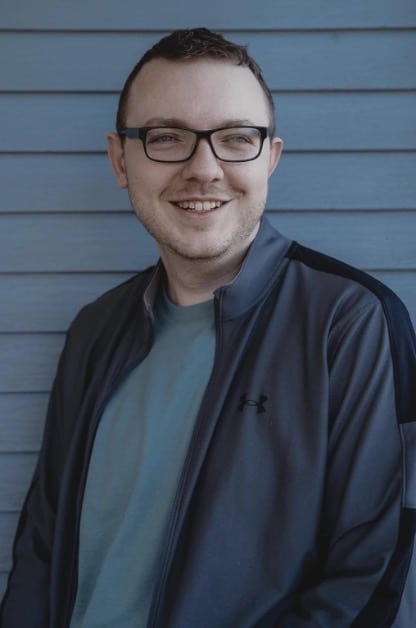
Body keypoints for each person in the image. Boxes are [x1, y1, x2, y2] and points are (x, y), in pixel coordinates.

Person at [1, 27, 415, 628]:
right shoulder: (95, 331)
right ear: (121, 159)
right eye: (166, 137)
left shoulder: (350, 322)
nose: (204, 168)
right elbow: (41, 551)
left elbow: (376, 574)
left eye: (235, 139)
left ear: (270, 158)